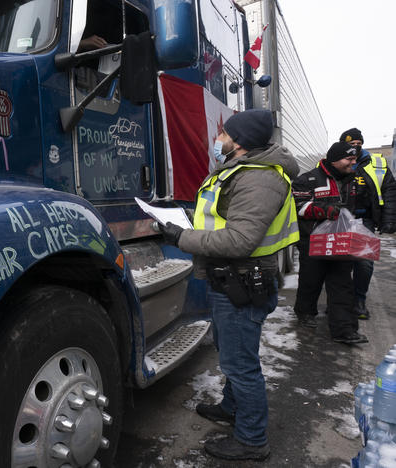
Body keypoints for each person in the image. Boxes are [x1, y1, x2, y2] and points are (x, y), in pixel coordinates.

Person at [157, 109, 299, 461]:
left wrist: (182, 237)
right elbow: (222, 220)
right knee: (231, 353)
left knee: (240, 364)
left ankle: (252, 440)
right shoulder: (238, 171)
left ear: (239, 142)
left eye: (223, 134)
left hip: (242, 282)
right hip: (228, 279)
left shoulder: (259, 179)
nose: (217, 139)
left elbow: (239, 241)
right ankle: (232, 407)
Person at [292, 141, 368, 344]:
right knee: (310, 281)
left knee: (343, 285)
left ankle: (344, 330)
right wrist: (325, 210)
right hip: (313, 241)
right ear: (334, 160)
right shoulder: (308, 178)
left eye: (354, 159)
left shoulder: (355, 179)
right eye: (349, 159)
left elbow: (364, 204)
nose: (353, 163)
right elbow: (298, 206)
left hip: (342, 241)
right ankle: (305, 312)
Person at [339, 128, 396, 320]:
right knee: (339, 264)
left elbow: (389, 191)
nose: (355, 148)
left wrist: (389, 220)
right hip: (338, 221)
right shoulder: (335, 161)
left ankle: (359, 300)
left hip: (365, 221)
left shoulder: (377, 163)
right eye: (350, 144)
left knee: (364, 263)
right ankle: (339, 301)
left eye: (358, 144)